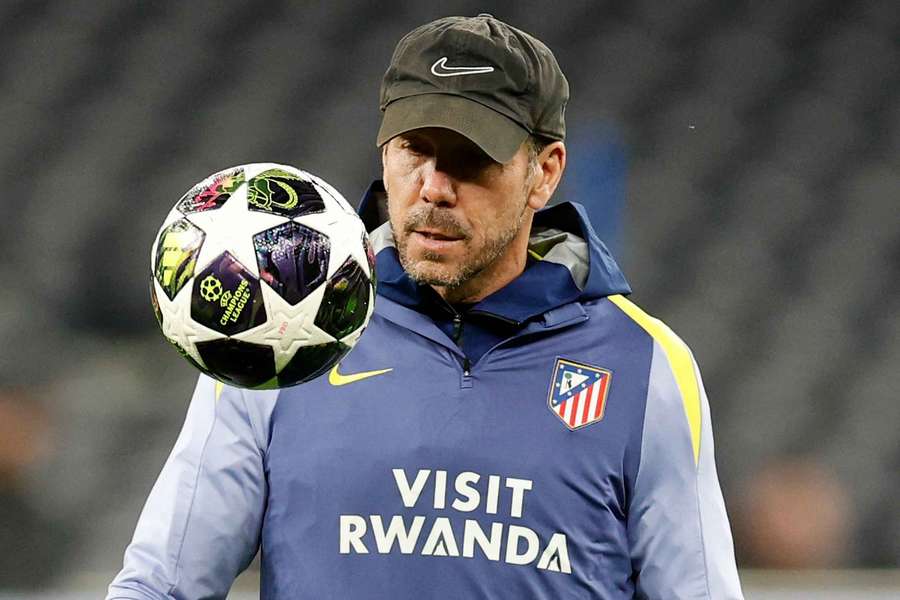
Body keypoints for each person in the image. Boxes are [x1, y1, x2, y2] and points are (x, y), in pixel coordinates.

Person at [108, 14, 743, 599]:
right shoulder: (282, 336)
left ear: (544, 172)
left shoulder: (647, 367)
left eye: (471, 158)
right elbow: (160, 587)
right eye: (414, 149)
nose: (434, 187)